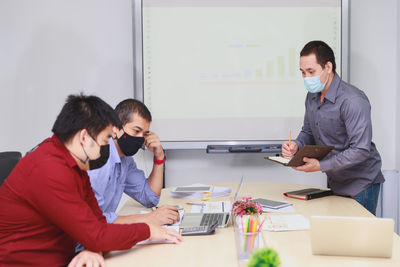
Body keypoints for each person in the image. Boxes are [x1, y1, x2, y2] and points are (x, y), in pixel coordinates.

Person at [0, 94, 182, 266]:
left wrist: (93, 247)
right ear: (84, 137)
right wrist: (149, 230)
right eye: (105, 141)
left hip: (66, 257)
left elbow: (97, 225)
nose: (106, 149)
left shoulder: (77, 164)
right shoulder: (50, 168)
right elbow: (97, 234)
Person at [281, 41, 384, 215]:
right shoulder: (312, 96)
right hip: (336, 180)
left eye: (311, 72)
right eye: (303, 72)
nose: (306, 78)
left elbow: (360, 150)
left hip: (361, 184)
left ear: (328, 67)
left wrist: (320, 165)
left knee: (358, 240)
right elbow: (308, 131)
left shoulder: (352, 100)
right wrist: (296, 145)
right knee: (338, 238)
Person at [87, 99, 180, 226]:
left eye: (145, 134)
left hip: (97, 236)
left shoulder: (125, 160)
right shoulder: (97, 159)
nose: (141, 138)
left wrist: (159, 156)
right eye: (136, 131)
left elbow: (149, 197)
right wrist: (149, 218)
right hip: (76, 242)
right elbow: (91, 220)